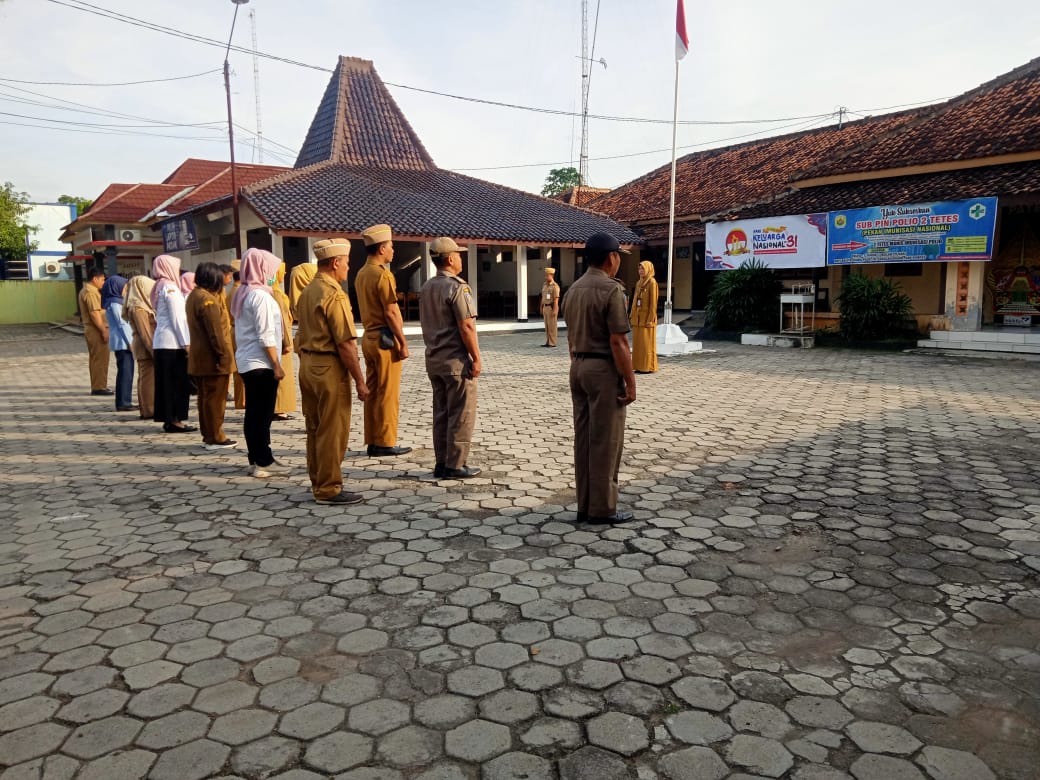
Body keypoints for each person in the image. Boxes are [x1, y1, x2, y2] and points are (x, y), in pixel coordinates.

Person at [561, 232, 636, 524]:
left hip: (578, 366)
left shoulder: (574, 289)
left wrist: (578, 363)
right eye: (618, 256)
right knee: (605, 440)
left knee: (584, 439)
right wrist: (630, 381)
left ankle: (585, 505)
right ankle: (602, 509)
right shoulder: (610, 289)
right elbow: (618, 341)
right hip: (602, 369)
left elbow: (570, 337)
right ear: (611, 258)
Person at [296, 238, 369, 504]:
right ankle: (329, 488)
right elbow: (346, 343)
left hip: (307, 364)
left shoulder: (308, 290)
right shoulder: (333, 294)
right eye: (347, 262)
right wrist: (360, 380)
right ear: (336, 263)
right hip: (328, 367)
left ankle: (318, 481)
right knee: (332, 430)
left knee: (315, 427)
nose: (348, 267)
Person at [419, 237, 482, 480]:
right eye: (458, 254)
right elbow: (466, 326)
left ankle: (442, 462)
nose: (460, 258)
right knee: (461, 413)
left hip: (434, 359)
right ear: (450, 259)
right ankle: (456, 464)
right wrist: (476, 357)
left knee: (441, 413)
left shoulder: (427, 287)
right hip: (455, 360)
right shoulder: (457, 287)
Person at [232, 248, 290, 478]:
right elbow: (265, 335)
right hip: (261, 363)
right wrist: (277, 364)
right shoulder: (261, 297)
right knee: (262, 415)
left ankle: (257, 457)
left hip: (248, 361)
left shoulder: (244, 293)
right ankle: (263, 462)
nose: (273, 274)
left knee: (254, 414)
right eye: (271, 269)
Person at [356, 223, 411, 457]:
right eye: (390, 246)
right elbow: (391, 312)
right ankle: (386, 442)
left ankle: (372, 439)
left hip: (368, 337)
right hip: (385, 339)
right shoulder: (383, 275)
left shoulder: (361, 273)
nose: (393, 250)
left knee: (373, 391)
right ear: (381, 249)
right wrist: (403, 341)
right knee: (388, 392)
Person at [186, 262, 235, 449]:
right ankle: (216, 436)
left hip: (200, 357)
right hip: (212, 359)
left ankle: (208, 434)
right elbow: (215, 333)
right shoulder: (207, 301)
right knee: (215, 400)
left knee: (205, 399)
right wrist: (224, 356)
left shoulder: (194, 295)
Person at [151, 255, 194, 433]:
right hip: (173, 343)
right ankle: (175, 419)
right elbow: (178, 319)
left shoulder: (159, 286)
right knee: (176, 384)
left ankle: (168, 418)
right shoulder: (171, 288)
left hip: (162, 342)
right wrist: (187, 344)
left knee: (165, 384)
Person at [123, 274, 156, 420]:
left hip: (143, 345)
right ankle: (149, 409)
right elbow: (145, 333)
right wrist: (153, 351)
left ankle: (146, 407)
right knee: (147, 377)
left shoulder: (140, 305)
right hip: (144, 346)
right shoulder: (139, 308)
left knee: (145, 376)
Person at [101, 274, 136, 411]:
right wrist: (130, 342)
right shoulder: (115, 303)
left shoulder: (115, 301)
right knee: (125, 373)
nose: (125, 290)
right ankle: (123, 402)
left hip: (123, 341)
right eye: (124, 287)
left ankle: (125, 400)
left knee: (126, 372)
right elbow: (122, 324)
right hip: (123, 342)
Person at [78, 267, 111, 396]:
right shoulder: (90, 292)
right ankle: (99, 387)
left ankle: (98, 385)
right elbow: (94, 313)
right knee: (100, 358)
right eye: (102, 279)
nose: (103, 282)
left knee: (96, 358)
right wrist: (103, 330)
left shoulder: (88, 290)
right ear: (95, 279)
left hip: (93, 328)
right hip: (95, 329)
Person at [271, 263, 297, 421]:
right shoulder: (275, 293)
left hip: (283, 335)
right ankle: (279, 408)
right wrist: (286, 342)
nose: (285, 273)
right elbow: (280, 319)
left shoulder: (277, 291)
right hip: (282, 338)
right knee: (283, 373)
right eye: (282, 271)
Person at [630, 260, 659, 374]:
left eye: (643, 268)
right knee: (638, 344)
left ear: (649, 269)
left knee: (646, 344)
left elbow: (653, 303)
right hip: (637, 319)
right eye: (639, 269)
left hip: (646, 319)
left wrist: (650, 319)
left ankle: (648, 366)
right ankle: (638, 366)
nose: (640, 271)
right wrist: (632, 315)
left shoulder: (652, 282)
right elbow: (634, 301)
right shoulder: (639, 282)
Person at [540, 266, 561, 347]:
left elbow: (556, 300)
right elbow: (543, 297)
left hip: (551, 307)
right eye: (545, 275)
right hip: (545, 307)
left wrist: (555, 310)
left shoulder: (555, 286)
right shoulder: (544, 285)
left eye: (547, 275)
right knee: (547, 326)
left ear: (552, 275)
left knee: (552, 326)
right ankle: (548, 341)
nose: (546, 277)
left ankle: (552, 342)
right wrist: (541, 307)